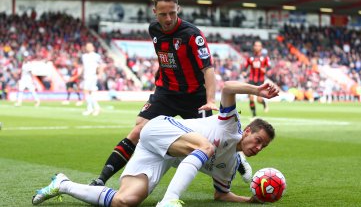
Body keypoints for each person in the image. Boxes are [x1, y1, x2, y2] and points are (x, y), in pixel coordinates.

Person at [32, 81, 279, 207]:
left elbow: (221, 194)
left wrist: (249, 200)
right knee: (206, 147)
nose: (258, 148)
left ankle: (62, 184)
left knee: (125, 201)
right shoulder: (231, 125)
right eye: (257, 140)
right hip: (160, 128)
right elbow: (227, 88)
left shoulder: (229, 165)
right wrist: (257, 90)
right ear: (247, 131)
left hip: (161, 154)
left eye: (263, 147)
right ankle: (169, 200)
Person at [89, 0, 226, 186]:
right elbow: (166, 56)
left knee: (212, 144)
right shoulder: (153, 29)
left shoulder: (192, 34)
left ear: (178, 8)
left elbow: (208, 69)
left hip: (194, 96)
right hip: (167, 93)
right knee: (138, 129)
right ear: (155, 12)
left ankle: (237, 166)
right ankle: (101, 180)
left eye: (172, 12)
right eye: (163, 14)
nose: (168, 18)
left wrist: (211, 100)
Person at [244, 40, 271, 117]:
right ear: (253, 47)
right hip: (252, 79)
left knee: (259, 99)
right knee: (251, 98)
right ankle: (254, 115)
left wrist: (266, 70)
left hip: (260, 80)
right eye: (255, 45)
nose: (257, 47)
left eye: (258, 45)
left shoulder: (265, 57)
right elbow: (245, 66)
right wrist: (244, 71)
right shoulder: (250, 57)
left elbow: (269, 67)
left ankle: (264, 103)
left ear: (261, 47)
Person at [81, 42, 104, 116]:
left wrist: (100, 74)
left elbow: (100, 65)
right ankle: (94, 108)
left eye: (89, 46)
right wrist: (82, 74)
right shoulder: (84, 56)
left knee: (87, 91)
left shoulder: (96, 56)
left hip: (92, 76)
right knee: (90, 92)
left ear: (93, 47)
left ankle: (91, 108)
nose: (88, 47)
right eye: (87, 46)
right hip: (86, 76)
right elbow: (84, 67)